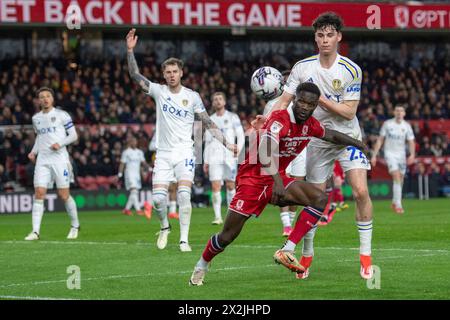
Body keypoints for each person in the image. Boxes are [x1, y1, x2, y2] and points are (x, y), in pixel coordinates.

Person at [189, 82, 369, 286]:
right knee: (227, 236)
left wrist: (358, 143)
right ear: (294, 100)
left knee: (319, 199)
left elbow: (331, 134)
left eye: (310, 104)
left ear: (315, 107)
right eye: (301, 101)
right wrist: (278, 183)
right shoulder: (279, 119)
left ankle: (288, 249)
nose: (304, 106)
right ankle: (202, 265)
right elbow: (265, 154)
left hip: (277, 177)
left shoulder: (310, 125)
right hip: (253, 180)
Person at [263, 12, 374, 280]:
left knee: (360, 191)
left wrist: (319, 99)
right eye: (320, 35)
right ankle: (306, 254)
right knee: (314, 199)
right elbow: (284, 100)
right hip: (316, 139)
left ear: (339, 37)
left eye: (330, 35)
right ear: (316, 38)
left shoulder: (351, 69)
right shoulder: (302, 68)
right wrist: (267, 120)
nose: (325, 40)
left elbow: (348, 113)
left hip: (347, 136)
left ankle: (366, 256)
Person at [126, 28, 236, 252]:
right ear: (164, 74)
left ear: (181, 73)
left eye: (175, 71)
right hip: (164, 154)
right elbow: (135, 76)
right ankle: (165, 226)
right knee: (158, 200)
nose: (171, 75)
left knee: (184, 194)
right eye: (167, 72)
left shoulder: (192, 96)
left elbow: (207, 122)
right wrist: (129, 51)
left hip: (185, 152)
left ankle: (184, 240)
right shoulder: (158, 91)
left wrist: (227, 143)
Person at [25, 87, 80, 241]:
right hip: (42, 160)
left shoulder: (62, 115)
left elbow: (74, 135)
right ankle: (35, 232)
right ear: (38, 100)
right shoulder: (36, 118)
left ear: (52, 99)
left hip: (60, 159)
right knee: (39, 193)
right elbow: (39, 138)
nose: (45, 99)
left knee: (63, 195)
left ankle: (75, 225)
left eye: (47, 96)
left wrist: (60, 143)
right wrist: (33, 152)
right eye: (41, 97)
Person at [203, 92, 245, 225]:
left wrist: (238, 150)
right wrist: (206, 160)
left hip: (229, 156)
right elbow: (207, 142)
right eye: (215, 99)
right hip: (214, 156)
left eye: (220, 99)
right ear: (212, 103)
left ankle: (229, 215)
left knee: (231, 185)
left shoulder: (233, 117)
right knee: (215, 185)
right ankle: (217, 217)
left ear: (224, 102)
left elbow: (241, 135)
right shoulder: (209, 119)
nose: (217, 101)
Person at [371, 104, 415, 214]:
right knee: (396, 176)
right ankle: (398, 205)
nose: (399, 112)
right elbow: (380, 140)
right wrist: (374, 155)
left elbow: (411, 141)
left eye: (401, 111)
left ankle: (394, 202)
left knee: (401, 178)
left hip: (401, 155)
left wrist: (412, 155)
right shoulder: (387, 124)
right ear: (394, 112)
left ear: (404, 113)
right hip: (390, 153)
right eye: (397, 110)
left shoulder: (407, 126)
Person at [118, 136, 151, 218]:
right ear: (129, 142)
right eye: (132, 141)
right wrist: (120, 173)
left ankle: (126, 209)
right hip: (129, 173)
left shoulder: (139, 152)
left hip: (137, 175)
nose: (134, 143)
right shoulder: (126, 152)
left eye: (135, 141)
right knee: (134, 191)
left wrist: (149, 168)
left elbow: (143, 162)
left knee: (134, 192)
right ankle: (138, 210)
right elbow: (122, 163)